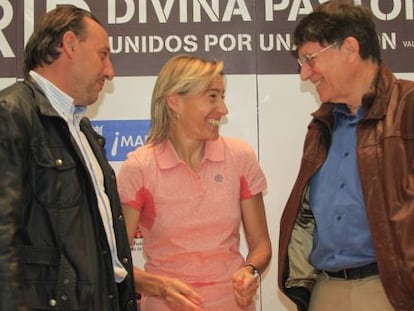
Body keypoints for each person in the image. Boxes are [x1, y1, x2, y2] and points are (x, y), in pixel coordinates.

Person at [278, 1, 414, 311]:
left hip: (392, 293)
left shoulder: (409, 108)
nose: (304, 74)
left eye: (310, 59)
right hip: (327, 291)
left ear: (350, 48)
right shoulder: (321, 126)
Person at [0, 6, 138, 311]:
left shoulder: (83, 130)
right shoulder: (11, 114)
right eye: (103, 54)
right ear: (70, 44)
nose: (110, 71)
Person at [117, 54, 272, 311]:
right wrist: (160, 287)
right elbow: (115, 261)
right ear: (175, 102)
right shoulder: (140, 168)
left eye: (222, 97)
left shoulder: (240, 157)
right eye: (212, 96)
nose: (223, 109)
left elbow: (261, 245)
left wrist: (249, 270)